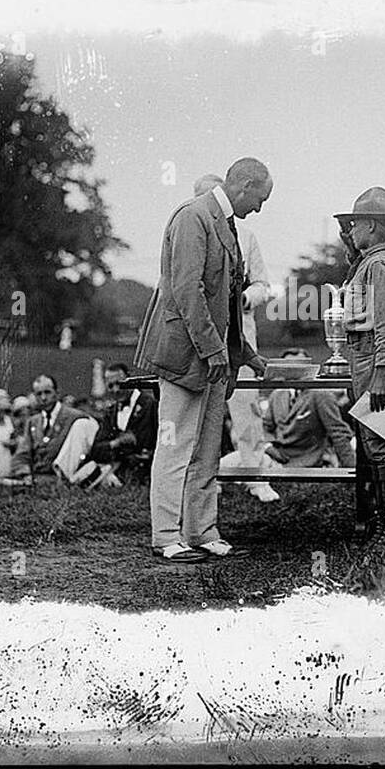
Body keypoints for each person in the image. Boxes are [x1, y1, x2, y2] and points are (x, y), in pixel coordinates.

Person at [134, 156, 272, 562]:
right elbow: (187, 291)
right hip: (183, 356)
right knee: (175, 445)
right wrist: (214, 351)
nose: (260, 208)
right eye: (260, 199)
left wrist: (245, 354)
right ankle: (166, 536)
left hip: (215, 361)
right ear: (243, 185)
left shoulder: (228, 225)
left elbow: (227, 300)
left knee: (208, 448)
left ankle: (201, 530)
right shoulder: (193, 217)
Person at [336, 186, 385, 544]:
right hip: (366, 357)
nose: (349, 231)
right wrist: (352, 249)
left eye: (354, 225)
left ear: (369, 225)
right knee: (376, 442)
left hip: (375, 359)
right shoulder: (370, 262)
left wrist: (382, 373)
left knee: (384, 445)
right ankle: (382, 527)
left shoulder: (379, 265)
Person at [194, 174, 279, 503]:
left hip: (241, 333)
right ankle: (204, 477)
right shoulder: (192, 229)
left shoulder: (245, 234)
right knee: (200, 408)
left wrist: (244, 299)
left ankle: (255, 476)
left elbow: (263, 284)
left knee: (246, 407)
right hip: (202, 333)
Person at [261, 349, 357, 468]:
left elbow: (338, 432)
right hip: (277, 460)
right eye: (289, 368)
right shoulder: (277, 394)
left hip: (309, 462)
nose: (294, 373)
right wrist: (268, 446)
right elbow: (264, 427)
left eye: (299, 367)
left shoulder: (320, 395)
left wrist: (352, 470)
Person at [9, 374, 99, 480]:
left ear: (57, 393)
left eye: (47, 392)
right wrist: (25, 474)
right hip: (36, 479)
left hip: (64, 479)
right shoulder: (33, 422)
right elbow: (22, 454)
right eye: (39, 394)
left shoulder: (75, 417)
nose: (43, 398)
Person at [85, 362, 158, 482]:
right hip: (119, 471)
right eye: (110, 386)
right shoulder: (111, 412)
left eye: (120, 384)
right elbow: (96, 450)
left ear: (130, 379)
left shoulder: (150, 404)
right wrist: (116, 442)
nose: (115, 390)